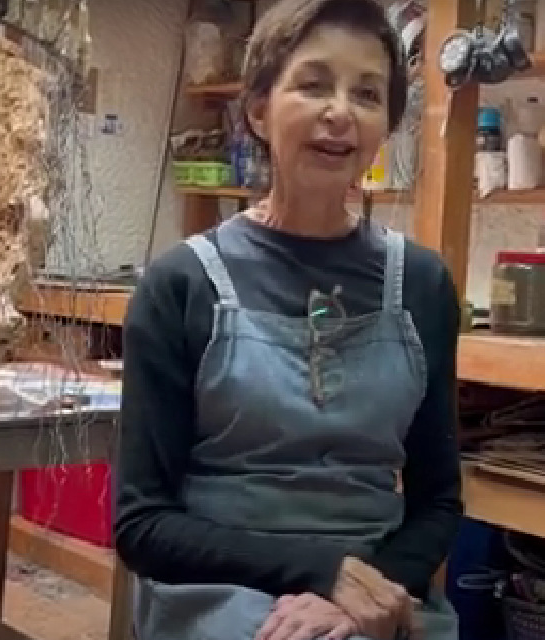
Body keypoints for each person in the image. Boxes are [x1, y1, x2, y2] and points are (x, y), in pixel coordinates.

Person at [114, 0, 462, 638]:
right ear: (257, 111)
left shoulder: (421, 284)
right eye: (313, 84)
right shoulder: (181, 285)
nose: (340, 112)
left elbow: (438, 500)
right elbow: (142, 524)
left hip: (376, 588)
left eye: (366, 93)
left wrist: (362, 590)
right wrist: (323, 573)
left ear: (386, 124)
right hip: (220, 586)